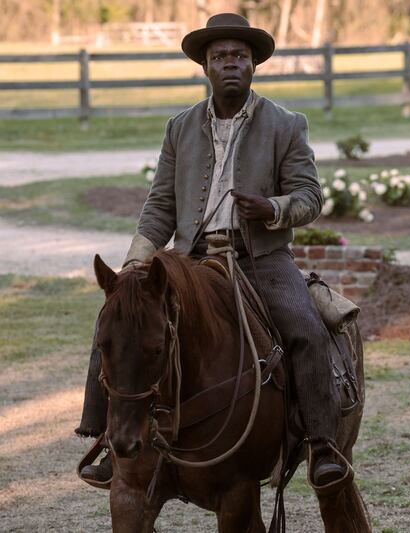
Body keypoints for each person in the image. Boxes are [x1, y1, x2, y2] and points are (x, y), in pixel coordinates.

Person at [76, 12, 346, 488]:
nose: (230, 65)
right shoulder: (179, 128)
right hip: (191, 262)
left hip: (261, 258)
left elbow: (310, 197)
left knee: (306, 328)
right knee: (114, 319)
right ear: (205, 67)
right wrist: (135, 264)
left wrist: (272, 207)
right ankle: (102, 438)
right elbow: (160, 203)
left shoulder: (286, 124)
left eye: (239, 57)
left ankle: (322, 445)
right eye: (220, 57)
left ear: (254, 65)